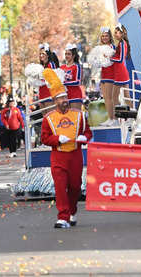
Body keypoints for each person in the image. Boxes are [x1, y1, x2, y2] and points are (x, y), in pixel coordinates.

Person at [40, 68, 92, 228]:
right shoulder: (48, 118)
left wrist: (85, 138)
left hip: (75, 155)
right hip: (58, 156)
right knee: (60, 187)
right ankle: (62, 217)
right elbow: (44, 138)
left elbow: (88, 132)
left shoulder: (79, 115)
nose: (63, 100)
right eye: (60, 98)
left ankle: (72, 211)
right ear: (55, 101)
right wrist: (57, 139)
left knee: (75, 187)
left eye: (65, 97)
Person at [62, 44, 84, 110]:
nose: (66, 56)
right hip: (64, 96)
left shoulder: (77, 66)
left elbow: (78, 82)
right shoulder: (62, 67)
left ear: (73, 56)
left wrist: (64, 83)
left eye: (69, 54)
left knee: (75, 117)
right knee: (66, 118)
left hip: (75, 96)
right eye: (65, 54)